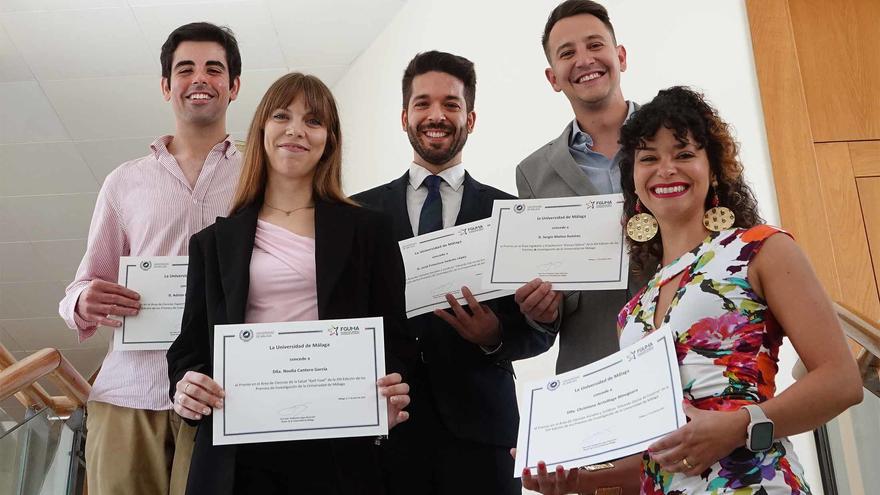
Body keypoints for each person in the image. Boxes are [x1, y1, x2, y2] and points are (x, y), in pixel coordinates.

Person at [522, 86, 863, 494]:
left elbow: (842, 381)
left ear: (713, 169)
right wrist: (578, 481)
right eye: (648, 158)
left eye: (684, 154)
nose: (665, 169)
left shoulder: (760, 249)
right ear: (632, 177)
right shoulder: (633, 312)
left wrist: (740, 426)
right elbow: (657, 459)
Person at [165, 72, 413, 495]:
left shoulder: (369, 231)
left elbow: (397, 340)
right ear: (262, 129)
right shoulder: (213, 243)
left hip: (337, 449)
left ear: (329, 140)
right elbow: (188, 350)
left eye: (314, 121)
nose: (296, 130)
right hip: (237, 453)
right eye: (283, 116)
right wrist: (187, 388)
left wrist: (393, 393)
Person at [353, 50, 556, 494]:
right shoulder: (356, 212)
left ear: (471, 118)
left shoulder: (509, 212)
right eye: (423, 103)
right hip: (387, 429)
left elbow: (539, 330)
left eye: (451, 104)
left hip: (483, 434)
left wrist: (494, 336)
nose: (436, 115)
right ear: (405, 116)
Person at [58, 22, 242, 495]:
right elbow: (81, 286)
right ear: (166, 86)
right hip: (129, 394)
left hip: (221, 393)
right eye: (185, 69)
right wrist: (84, 301)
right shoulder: (124, 182)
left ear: (234, 86)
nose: (199, 78)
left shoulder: (258, 177)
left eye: (213, 69)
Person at [516, 0, 642, 374]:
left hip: (688, 352)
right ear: (553, 77)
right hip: (593, 369)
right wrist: (542, 311)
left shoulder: (682, 139)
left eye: (595, 45)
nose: (584, 59)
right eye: (567, 53)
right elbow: (551, 290)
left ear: (620, 56)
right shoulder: (531, 174)